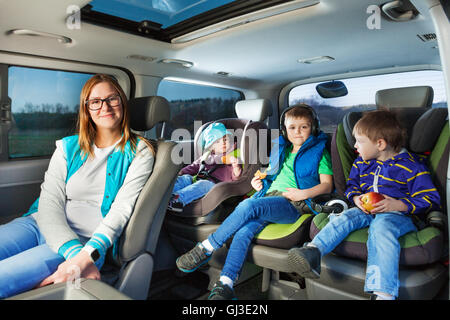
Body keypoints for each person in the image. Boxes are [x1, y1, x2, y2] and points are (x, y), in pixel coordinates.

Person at [0, 74, 155, 298]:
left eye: (112, 99)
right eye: (96, 101)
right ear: (87, 109)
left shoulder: (140, 151)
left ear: (122, 102)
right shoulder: (67, 147)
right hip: (38, 225)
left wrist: (86, 255)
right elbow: (49, 201)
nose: (105, 107)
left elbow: (121, 210)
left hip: (87, 242)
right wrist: (74, 254)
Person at [176, 104, 333, 299]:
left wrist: (303, 194)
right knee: (243, 232)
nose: (298, 132)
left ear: (314, 128)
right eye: (292, 127)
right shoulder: (282, 150)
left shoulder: (320, 152)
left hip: (293, 203)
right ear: (285, 130)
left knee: (248, 205)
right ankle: (226, 284)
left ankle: (206, 247)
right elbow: (271, 176)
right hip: (269, 197)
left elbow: (327, 185)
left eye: (304, 127)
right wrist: (258, 183)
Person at [287, 109, 441, 300]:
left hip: (398, 215)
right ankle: (313, 251)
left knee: (381, 227)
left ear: (380, 144)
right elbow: (352, 187)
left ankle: (383, 293)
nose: (355, 147)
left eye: (359, 142)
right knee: (345, 217)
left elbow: (430, 198)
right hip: (365, 210)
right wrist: (356, 198)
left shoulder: (412, 166)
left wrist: (399, 205)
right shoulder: (362, 163)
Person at [167, 122, 242, 212]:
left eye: (225, 139)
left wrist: (236, 167)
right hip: (198, 179)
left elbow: (235, 177)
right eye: (217, 141)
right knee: (185, 178)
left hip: (217, 186)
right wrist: (181, 172)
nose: (223, 143)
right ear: (211, 146)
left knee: (204, 184)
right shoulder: (207, 155)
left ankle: (177, 200)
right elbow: (194, 166)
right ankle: (166, 195)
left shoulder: (234, 155)